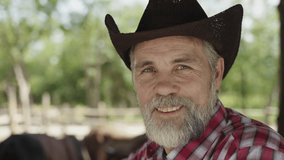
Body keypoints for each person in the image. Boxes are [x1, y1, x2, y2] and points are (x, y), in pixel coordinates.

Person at [105, 0, 284, 159]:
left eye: (182, 67)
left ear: (216, 73)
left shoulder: (255, 151)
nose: (164, 88)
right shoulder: (145, 154)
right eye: (148, 69)